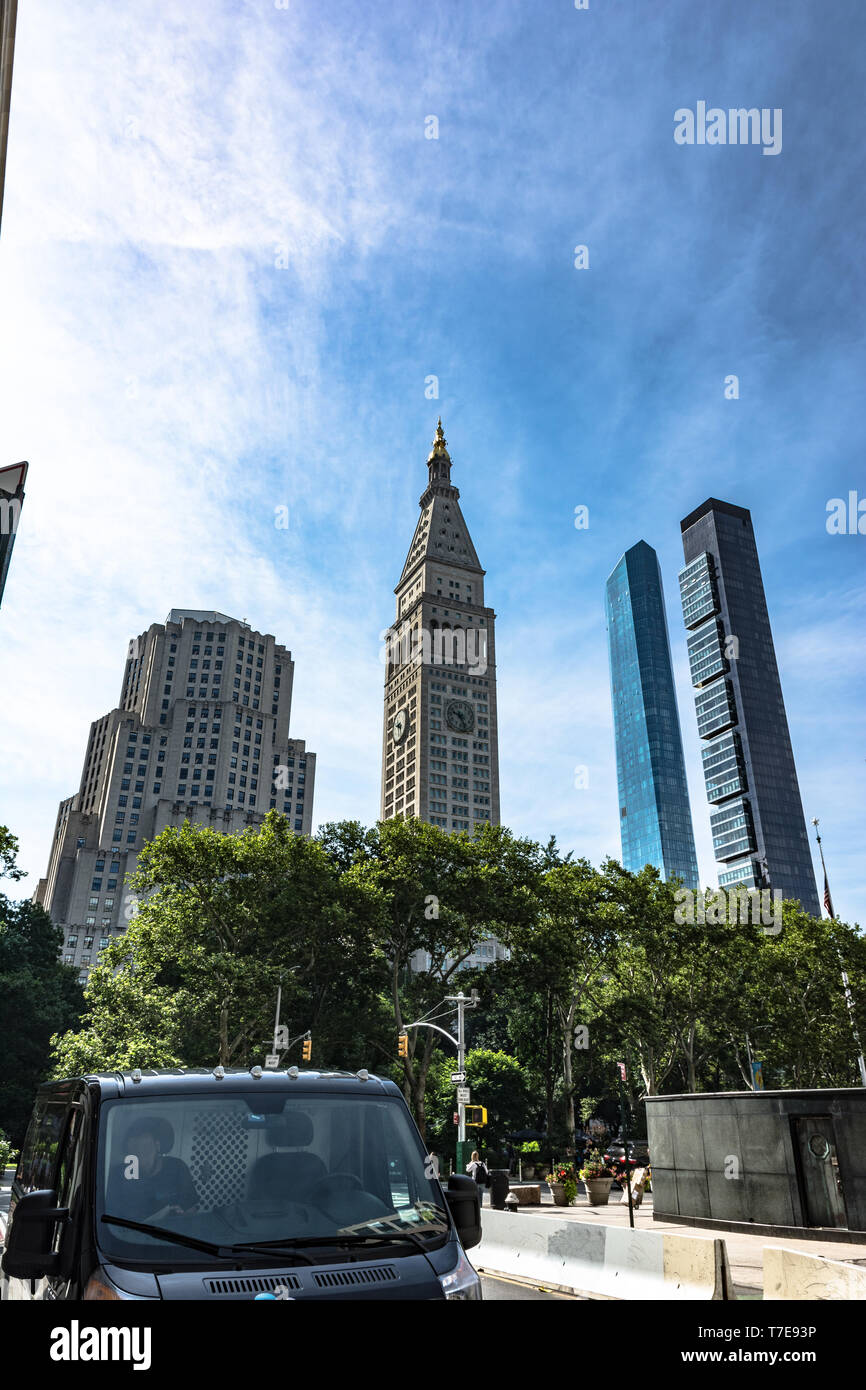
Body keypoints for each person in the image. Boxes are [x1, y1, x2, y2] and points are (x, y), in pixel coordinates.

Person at [106, 1115, 198, 1226]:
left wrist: (180, 1214)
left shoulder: (177, 1168)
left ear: (158, 1146)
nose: (138, 1153)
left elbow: (191, 1213)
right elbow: (111, 1219)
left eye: (144, 1147)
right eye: (133, 1148)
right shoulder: (118, 1175)